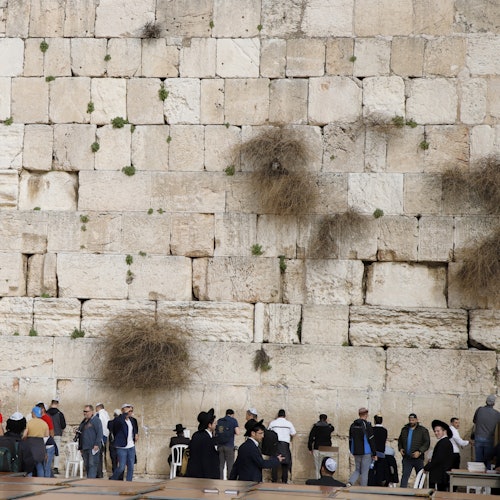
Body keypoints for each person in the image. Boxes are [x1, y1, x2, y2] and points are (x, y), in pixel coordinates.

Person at [398, 413, 430, 487]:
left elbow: (427, 443)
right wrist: (400, 448)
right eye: (410, 420)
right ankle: (402, 494)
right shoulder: (404, 429)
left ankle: (421, 493)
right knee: (405, 476)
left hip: (418, 458)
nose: (411, 421)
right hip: (407, 458)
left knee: (420, 477)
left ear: (416, 420)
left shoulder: (423, 430)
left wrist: (419, 451)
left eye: (413, 420)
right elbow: (400, 441)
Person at [346, 407, 377, 487]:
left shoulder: (352, 425)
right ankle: (363, 490)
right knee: (364, 472)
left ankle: (350, 482)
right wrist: (374, 453)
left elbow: (350, 439)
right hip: (366, 451)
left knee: (357, 469)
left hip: (356, 451)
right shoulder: (367, 425)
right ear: (366, 415)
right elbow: (371, 439)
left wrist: (351, 450)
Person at [185, 408, 219, 479]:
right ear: (209, 425)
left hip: (193, 473)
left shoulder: (196, 435)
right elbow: (210, 459)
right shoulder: (208, 439)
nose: (216, 425)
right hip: (205, 475)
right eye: (215, 423)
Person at [110, 404, 138, 481]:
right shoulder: (119, 420)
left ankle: (129, 482)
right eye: (128, 411)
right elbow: (115, 425)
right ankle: (113, 478)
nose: (130, 412)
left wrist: (136, 434)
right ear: (123, 411)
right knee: (121, 467)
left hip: (131, 446)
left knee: (131, 466)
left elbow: (134, 428)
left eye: (131, 411)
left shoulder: (132, 420)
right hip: (122, 446)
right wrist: (124, 414)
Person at [424, 420, 454, 491]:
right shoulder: (444, 442)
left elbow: (438, 459)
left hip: (439, 476)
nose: (436, 433)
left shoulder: (444, 443)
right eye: (435, 431)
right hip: (440, 476)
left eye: (438, 431)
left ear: (444, 431)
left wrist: (426, 467)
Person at [268, 409, 296, 483]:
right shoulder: (288, 423)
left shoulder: (273, 423)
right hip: (285, 445)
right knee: (285, 465)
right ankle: (284, 481)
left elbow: (268, 432)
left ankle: (274, 481)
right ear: (285, 415)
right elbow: (293, 433)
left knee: (274, 463)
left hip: (275, 445)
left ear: (278, 415)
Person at [472, 394, 500, 468]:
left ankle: (478, 477)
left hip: (478, 437)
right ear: (494, 403)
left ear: (486, 401)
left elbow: (474, 421)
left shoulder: (479, 410)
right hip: (489, 438)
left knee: (478, 459)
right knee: (488, 460)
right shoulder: (497, 414)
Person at [76, 405, 103, 478]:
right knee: (87, 465)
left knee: (92, 464)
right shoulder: (84, 421)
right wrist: (80, 447)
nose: (85, 413)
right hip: (85, 447)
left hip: (93, 447)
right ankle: (89, 479)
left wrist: (97, 444)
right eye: (84, 411)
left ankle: (91, 481)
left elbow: (99, 433)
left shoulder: (96, 420)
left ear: (92, 412)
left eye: (87, 411)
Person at [22, 406, 48, 477]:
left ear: (33, 413)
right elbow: (47, 435)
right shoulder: (44, 423)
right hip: (40, 444)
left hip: (30, 445)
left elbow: (24, 435)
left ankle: (29, 482)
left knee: (29, 466)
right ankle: (40, 482)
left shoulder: (29, 423)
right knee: (39, 466)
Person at [307, 413, 335, 479]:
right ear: (326, 419)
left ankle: (318, 482)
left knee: (318, 467)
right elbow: (333, 428)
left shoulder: (315, 427)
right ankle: (327, 481)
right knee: (327, 466)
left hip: (317, 448)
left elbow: (311, 438)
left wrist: (310, 448)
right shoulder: (328, 427)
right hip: (327, 448)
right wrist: (329, 424)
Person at [216, 409, 240, 479]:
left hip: (220, 446)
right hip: (229, 446)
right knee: (230, 465)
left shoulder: (220, 421)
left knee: (221, 465)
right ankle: (230, 481)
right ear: (232, 414)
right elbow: (238, 432)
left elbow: (219, 432)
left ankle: (219, 480)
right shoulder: (233, 421)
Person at [36, 402, 56, 477]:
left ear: (42, 409)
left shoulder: (46, 418)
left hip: (47, 445)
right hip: (42, 444)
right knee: (43, 466)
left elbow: (51, 431)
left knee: (46, 467)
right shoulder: (40, 418)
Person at [46, 399, 66, 475]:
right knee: (56, 451)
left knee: (48, 450)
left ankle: (48, 466)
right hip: (57, 433)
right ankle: (56, 467)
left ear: (51, 404)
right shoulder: (60, 414)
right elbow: (63, 425)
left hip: (48, 434)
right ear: (57, 404)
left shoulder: (47, 413)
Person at [370, 414, 389, 486]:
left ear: (374, 421)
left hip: (373, 453)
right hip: (381, 453)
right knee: (380, 471)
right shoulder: (384, 430)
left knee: (372, 470)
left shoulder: (372, 430)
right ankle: (379, 484)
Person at [95, 403, 110, 478]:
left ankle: (98, 473)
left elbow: (97, 427)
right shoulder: (106, 414)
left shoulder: (98, 415)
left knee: (97, 456)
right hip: (104, 438)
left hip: (99, 438)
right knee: (100, 456)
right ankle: (99, 473)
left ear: (98, 407)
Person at [107, 409, 121, 475]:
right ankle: (119, 475)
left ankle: (115, 474)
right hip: (120, 444)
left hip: (112, 443)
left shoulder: (110, 423)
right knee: (120, 461)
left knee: (114, 460)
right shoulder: (121, 423)